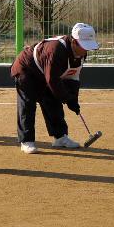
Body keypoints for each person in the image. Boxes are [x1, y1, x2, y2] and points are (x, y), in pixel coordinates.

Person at [10, 23, 100, 154]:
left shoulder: (81, 54)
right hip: (26, 69)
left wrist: (73, 99)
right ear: (74, 42)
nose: (86, 51)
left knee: (53, 101)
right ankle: (26, 141)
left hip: (46, 73)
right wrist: (66, 98)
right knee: (28, 103)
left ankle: (60, 137)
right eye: (84, 46)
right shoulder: (56, 49)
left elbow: (73, 76)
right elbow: (52, 80)